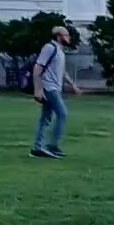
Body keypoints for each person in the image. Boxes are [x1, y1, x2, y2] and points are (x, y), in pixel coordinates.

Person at [30, 26, 80, 159]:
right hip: (49, 87)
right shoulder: (49, 48)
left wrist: (72, 86)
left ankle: (37, 147)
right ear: (58, 36)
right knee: (62, 113)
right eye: (66, 35)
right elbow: (38, 67)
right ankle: (51, 146)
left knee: (45, 118)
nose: (68, 37)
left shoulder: (60, 51)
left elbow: (62, 72)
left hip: (55, 88)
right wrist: (37, 90)